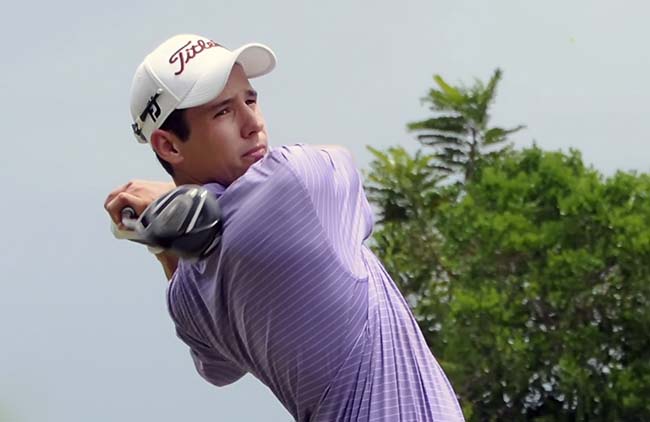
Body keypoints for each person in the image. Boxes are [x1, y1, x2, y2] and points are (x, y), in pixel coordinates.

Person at [104, 33, 465, 421]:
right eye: (223, 111)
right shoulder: (297, 183)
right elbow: (345, 179)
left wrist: (166, 233)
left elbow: (217, 367)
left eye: (251, 99)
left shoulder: (186, 295)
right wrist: (180, 207)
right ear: (170, 146)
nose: (252, 124)